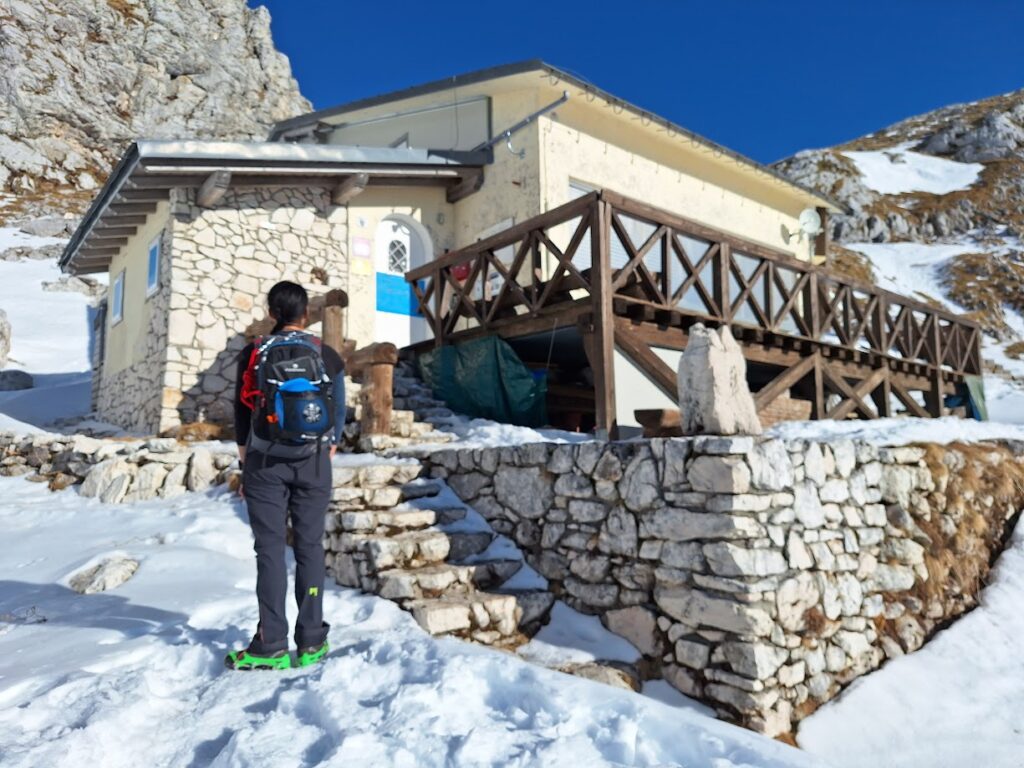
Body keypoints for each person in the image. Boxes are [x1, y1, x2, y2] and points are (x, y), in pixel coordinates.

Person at [226, 280, 346, 670]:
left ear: (272, 313)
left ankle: (271, 643)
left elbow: (242, 413)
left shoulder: (254, 352)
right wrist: (327, 445)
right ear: (306, 314)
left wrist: (247, 463)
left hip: (265, 462)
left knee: (271, 550)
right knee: (310, 548)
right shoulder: (324, 353)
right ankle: (311, 640)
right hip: (313, 461)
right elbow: (338, 410)